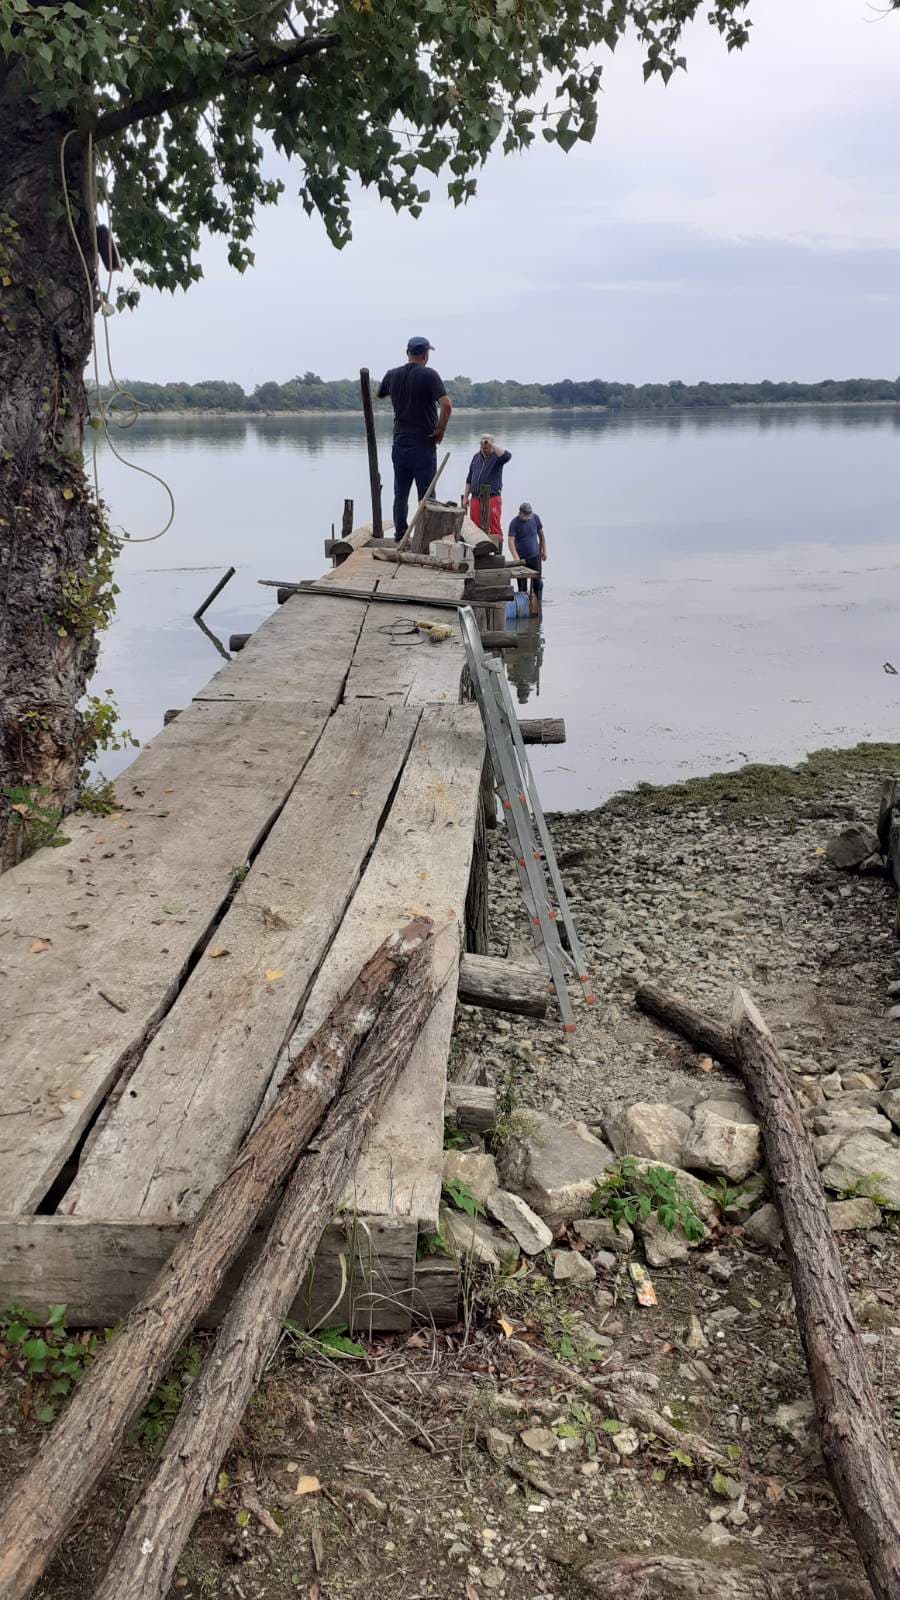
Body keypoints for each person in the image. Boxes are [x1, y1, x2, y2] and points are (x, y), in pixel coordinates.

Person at [377, 337, 452, 541]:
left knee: (400, 493)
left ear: (407, 353)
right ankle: (426, 538)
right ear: (425, 355)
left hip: (400, 442)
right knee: (427, 495)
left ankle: (400, 534)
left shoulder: (392, 375)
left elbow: (380, 394)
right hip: (423, 442)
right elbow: (446, 405)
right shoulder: (429, 374)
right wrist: (440, 429)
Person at [464, 434, 511, 542]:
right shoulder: (476, 457)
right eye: (481, 445)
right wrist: (466, 497)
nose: (483, 447)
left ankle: (497, 548)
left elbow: (507, 456)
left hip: (492, 497)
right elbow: (469, 478)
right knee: (474, 526)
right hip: (475, 497)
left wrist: (491, 445)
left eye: (486, 445)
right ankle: (477, 547)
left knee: (494, 525)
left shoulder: (497, 457)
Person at [508, 501, 546, 615]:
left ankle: (538, 605)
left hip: (535, 557)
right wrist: (516, 557)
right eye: (525, 515)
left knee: (538, 583)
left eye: (529, 515)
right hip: (522, 559)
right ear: (520, 513)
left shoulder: (535, 518)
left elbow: (541, 535)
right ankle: (524, 608)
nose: (527, 517)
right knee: (522, 586)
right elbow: (510, 541)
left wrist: (544, 550)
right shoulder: (514, 523)